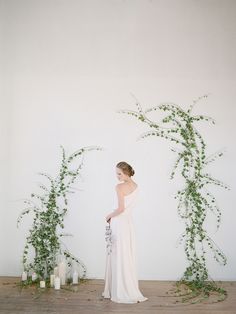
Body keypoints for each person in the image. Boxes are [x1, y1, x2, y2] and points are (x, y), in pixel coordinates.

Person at [102, 161, 148, 303]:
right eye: (116, 173)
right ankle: (128, 287)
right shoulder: (136, 186)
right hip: (128, 224)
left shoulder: (119, 187)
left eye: (119, 173)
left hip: (119, 222)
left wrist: (109, 215)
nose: (117, 176)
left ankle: (120, 290)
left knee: (117, 254)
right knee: (126, 254)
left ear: (126, 173)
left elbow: (121, 208)